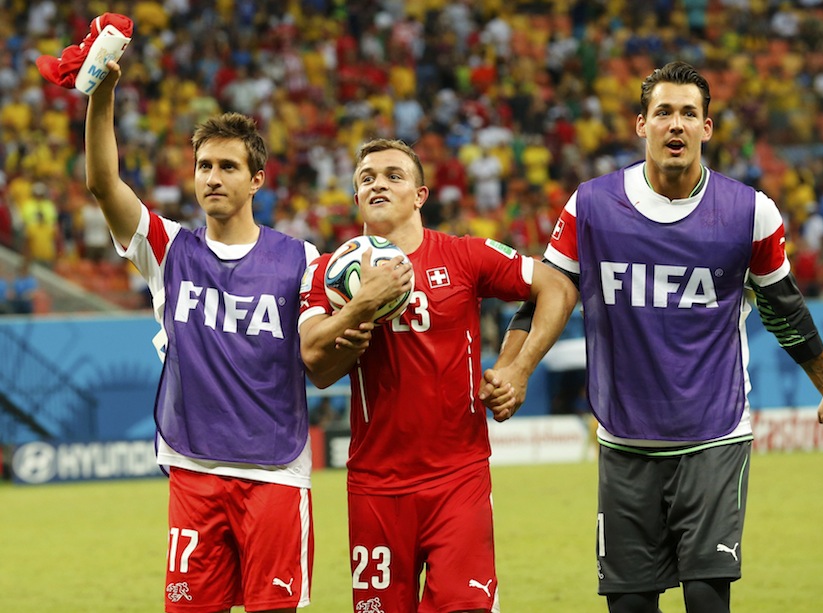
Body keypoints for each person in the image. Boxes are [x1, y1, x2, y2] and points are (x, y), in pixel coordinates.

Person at [482, 61, 823, 613]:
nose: (676, 125)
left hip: (714, 433)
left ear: (707, 128)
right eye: (664, 112)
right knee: (628, 605)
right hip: (626, 439)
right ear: (640, 124)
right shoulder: (592, 205)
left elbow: (784, 307)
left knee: (705, 596)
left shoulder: (749, 213)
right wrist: (514, 368)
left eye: (689, 114)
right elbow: (546, 295)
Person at [298, 138, 576, 612]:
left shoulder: (463, 256)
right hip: (375, 487)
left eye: (393, 175)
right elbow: (316, 365)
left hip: (458, 478)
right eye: (367, 178)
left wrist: (516, 368)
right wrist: (363, 305)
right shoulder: (324, 273)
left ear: (420, 195)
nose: (378, 184)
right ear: (356, 196)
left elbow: (558, 287)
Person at [85, 59, 318, 613]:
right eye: (204, 165)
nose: (212, 177)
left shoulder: (301, 260)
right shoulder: (169, 251)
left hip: (277, 475)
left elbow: (323, 350)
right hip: (195, 475)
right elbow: (101, 183)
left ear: (256, 179)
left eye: (228, 166)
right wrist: (102, 94)